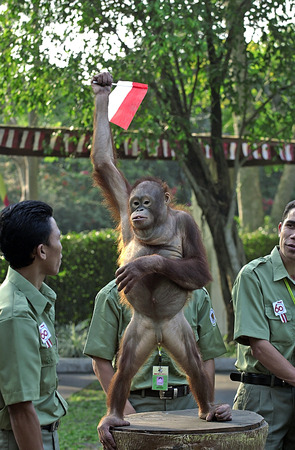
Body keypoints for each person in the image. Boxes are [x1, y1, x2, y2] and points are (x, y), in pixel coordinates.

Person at [84, 279, 232, 418]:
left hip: (189, 404)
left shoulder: (196, 293)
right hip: (138, 404)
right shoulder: (114, 294)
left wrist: (207, 405)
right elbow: (100, 361)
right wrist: (125, 411)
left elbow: (207, 357)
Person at [0, 200, 68, 450]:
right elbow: (20, 409)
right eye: (59, 239)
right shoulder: (16, 313)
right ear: (41, 251)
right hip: (24, 440)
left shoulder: (37, 301)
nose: (61, 247)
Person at [231, 199, 295, 450]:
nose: (294, 235)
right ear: (280, 228)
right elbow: (259, 347)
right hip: (264, 396)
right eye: (291, 226)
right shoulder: (253, 276)